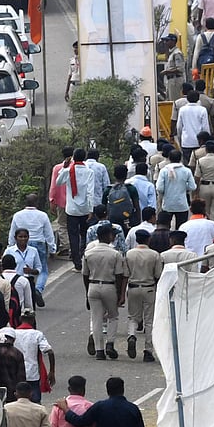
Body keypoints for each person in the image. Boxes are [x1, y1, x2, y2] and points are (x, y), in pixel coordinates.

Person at [83, 226, 126, 361]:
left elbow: (85, 274)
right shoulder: (115, 254)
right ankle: (110, 343)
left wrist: (87, 292)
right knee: (113, 316)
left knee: (96, 318)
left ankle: (99, 350)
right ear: (108, 236)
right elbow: (119, 275)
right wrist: (119, 294)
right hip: (109, 286)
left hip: (93, 285)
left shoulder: (88, 253)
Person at [123, 229, 162, 362]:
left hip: (133, 287)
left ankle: (132, 335)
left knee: (133, 317)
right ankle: (148, 350)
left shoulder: (129, 254)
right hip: (149, 288)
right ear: (148, 239)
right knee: (149, 320)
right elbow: (158, 275)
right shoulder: (154, 255)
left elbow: (125, 274)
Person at [56, 149, 99, 270]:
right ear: (84, 157)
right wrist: (91, 209)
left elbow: (58, 182)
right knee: (85, 234)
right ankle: (84, 256)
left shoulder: (69, 170)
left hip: (72, 210)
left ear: (73, 157)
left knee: (73, 236)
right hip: (85, 209)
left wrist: (64, 168)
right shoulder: (89, 172)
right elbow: (90, 192)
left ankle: (76, 262)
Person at [8, 195, 56, 293]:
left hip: (22, 243)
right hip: (39, 243)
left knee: (22, 268)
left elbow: (13, 232)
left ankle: (22, 291)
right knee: (42, 269)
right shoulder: (43, 215)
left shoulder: (18, 215)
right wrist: (52, 249)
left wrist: (10, 246)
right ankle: (38, 289)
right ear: (37, 203)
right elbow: (48, 233)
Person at [12, 310, 55, 401]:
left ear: (20, 319)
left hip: (17, 373)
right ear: (33, 320)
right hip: (33, 373)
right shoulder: (37, 334)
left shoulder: (13, 334)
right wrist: (52, 371)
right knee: (35, 401)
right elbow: (49, 352)